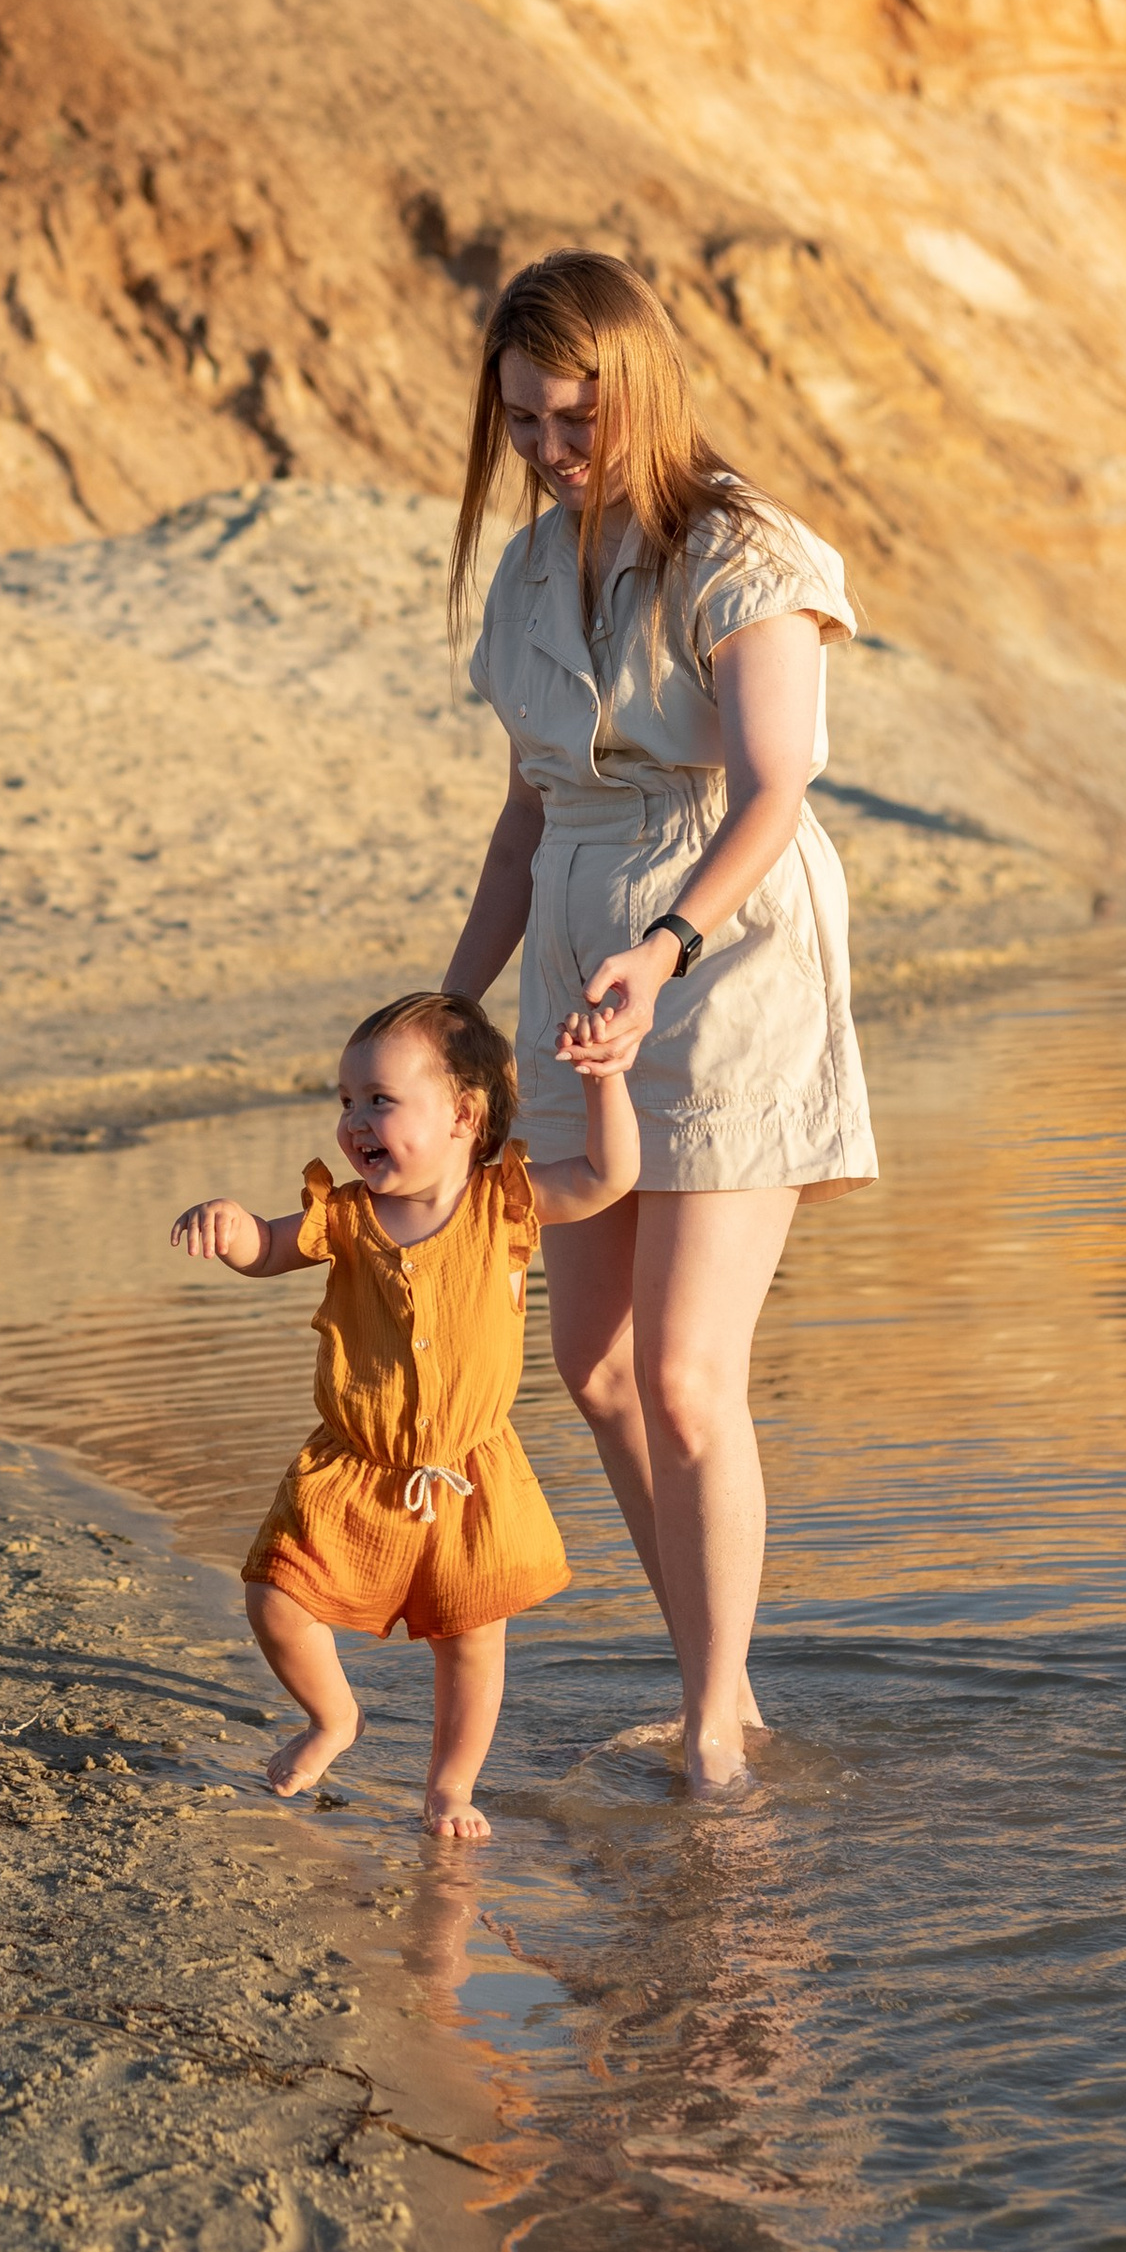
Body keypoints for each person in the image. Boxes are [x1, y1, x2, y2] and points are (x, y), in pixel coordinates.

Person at [440, 251, 874, 1796]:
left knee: (690, 1370)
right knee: (597, 1366)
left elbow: (773, 791)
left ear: (637, 388)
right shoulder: (523, 574)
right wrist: (452, 1004)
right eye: (525, 421)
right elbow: (521, 816)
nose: (551, 448)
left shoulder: (745, 550)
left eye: (574, 416)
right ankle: (729, 1682)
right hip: (575, 949)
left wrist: (667, 944)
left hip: (729, 944)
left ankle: (708, 1726)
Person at [170, 990, 635, 1840]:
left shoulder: (507, 1201)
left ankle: (451, 1785)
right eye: (345, 1101)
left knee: (470, 1642)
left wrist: (606, 1082)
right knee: (275, 1597)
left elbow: (609, 1176)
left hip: (468, 1472)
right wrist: (233, 1227)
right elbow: (270, 1249)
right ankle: (333, 1717)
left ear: (463, 1114)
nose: (354, 1121)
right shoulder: (345, 1216)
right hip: (352, 1463)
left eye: (379, 1099)